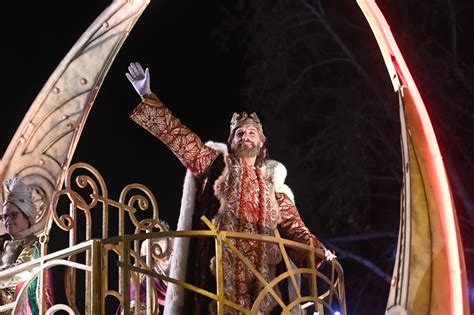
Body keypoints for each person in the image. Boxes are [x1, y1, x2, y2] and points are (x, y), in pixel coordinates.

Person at [126, 62, 336, 314]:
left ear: (261, 143)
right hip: (217, 277)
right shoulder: (214, 164)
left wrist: (319, 253)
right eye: (239, 133)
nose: (245, 137)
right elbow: (180, 139)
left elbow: (294, 226)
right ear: (232, 140)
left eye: (251, 133)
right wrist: (146, 95)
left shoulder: (273, 185)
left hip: (262, 282)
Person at [0, 177, 54, 314]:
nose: (8, 220)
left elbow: (20, 272)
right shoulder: (2, 243)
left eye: (13, 215)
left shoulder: (35, 245)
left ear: (26, 217)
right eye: (5, 216)